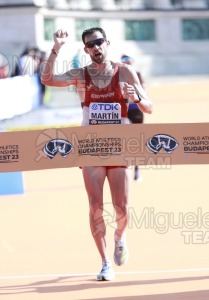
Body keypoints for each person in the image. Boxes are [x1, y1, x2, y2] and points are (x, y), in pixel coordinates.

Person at [41, 28, 153, 281]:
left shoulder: (124, 71)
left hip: (120, 145)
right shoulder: (81, 75)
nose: (96, 47)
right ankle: (104, 263)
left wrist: (137, 100)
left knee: (121, 208)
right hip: (90, 146)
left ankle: (120, 237)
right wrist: (56, 47)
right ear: (86, 50)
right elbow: (47, 79)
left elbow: (150, 107)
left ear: (107, 43)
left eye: (99, 42)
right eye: (91, 45)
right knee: (94, 206)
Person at [121, 54, 145, 181]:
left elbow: (144, 93)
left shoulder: (138, 75)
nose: (128, 65)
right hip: (124, 111)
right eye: (125, 63)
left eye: (129, 62)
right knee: (125, 139)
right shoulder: (118, 76)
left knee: (137, 140)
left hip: (136, 110)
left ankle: (136, 170)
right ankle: (123, 167)